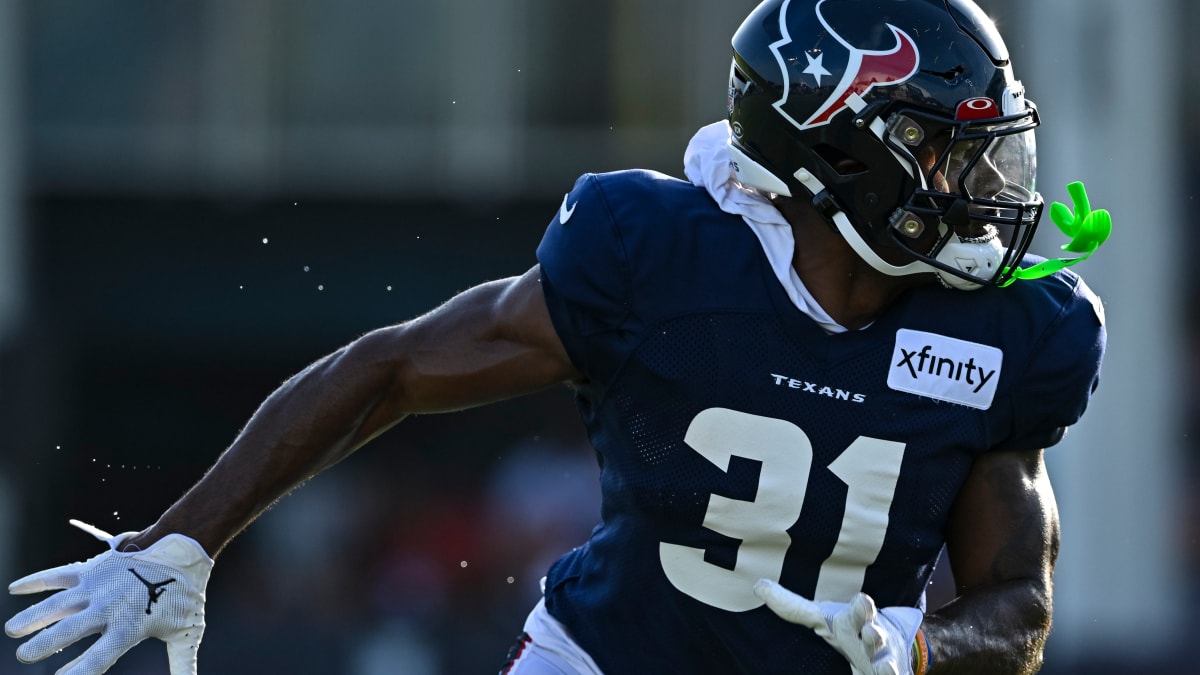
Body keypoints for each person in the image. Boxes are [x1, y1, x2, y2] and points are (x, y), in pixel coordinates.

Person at [5, 0, 1110, 673]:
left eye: (988, 152)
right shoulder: (661, 259)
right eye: (947, 155)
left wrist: (918, 655)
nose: (984, 189)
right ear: (843, 159)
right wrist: (183, 543)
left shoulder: (1013, 330)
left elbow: (1018, 599)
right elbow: (387, 367)